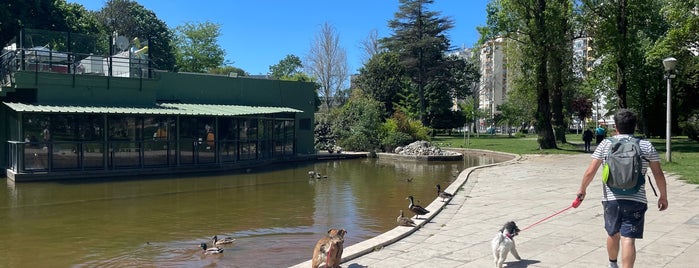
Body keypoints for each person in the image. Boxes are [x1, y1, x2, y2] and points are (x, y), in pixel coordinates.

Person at [575, 109, 668, 268]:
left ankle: (612, 264)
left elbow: (590, 171)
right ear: (635, 126)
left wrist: (582, 190)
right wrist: (663, 196)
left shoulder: (605, 144)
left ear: (616, 127)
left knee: (613, 233)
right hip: (636, 199)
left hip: (611, 200)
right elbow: (658, 174)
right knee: (628, 239)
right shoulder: (646, 145)